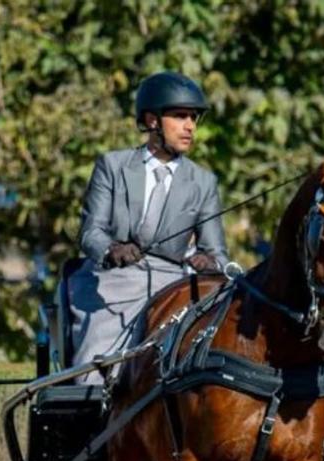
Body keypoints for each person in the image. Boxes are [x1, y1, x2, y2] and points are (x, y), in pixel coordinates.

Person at [67, 71, 229, 382]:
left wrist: (209, 262)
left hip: (175, 287)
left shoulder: (204, 182)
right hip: (114, 283)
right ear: (152, 121)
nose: (190, 126)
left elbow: (218, 253)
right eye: (180, 116)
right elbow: (90, 232)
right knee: (93, 373)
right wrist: (113, 250)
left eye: (193, 118)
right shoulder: (112, 167)